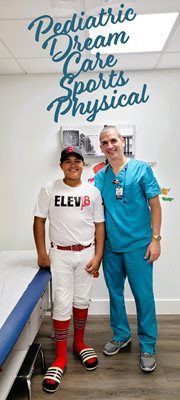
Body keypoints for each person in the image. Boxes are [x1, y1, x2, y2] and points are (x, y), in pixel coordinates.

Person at [33, 146, 105, 393]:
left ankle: (80, 343)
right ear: (61, 165)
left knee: (82, 300)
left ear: (83, 165)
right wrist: (42, 252)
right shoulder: (49, 188)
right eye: (67, 161)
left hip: (85, 252)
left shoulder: (93, 191)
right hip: (60, 253)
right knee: (62, 302)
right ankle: (60, 358)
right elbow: (39, 220)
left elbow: (99, 225)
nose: (72, 165)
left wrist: (98, 255)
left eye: (77, 161)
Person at [94, 126, 162, 372]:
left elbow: (155, 205)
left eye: (113, 140)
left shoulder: (141, 169)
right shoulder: (100, 177)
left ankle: (148, 345)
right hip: (112, 247)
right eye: (104, 142)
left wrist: (155, 239)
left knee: (144, 297)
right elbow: (94, 213)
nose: (109, 145)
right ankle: (121, 334)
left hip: (138, 246)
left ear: (122, 141)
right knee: (115, 294)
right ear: (100, 147)